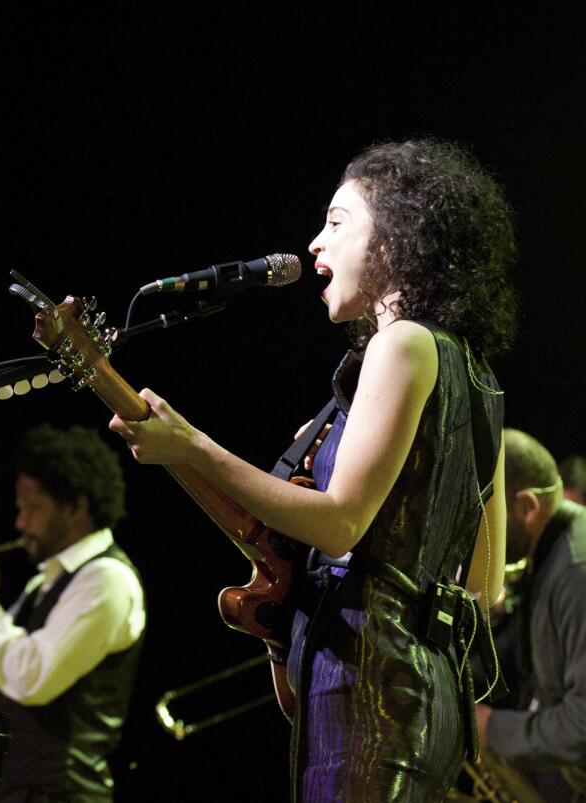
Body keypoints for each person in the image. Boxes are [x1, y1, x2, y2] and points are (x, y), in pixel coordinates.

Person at [109, 139, 517, 800]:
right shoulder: (480, 379)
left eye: (337, 222)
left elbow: (340, 524)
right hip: (431, 699)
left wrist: (191, 445)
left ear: (393, 237)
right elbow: (484, 578)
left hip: (367, 691)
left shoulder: (401, 342)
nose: (314, 244)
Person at [0, 424, 145, 803]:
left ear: (75, 506)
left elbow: (29, 678)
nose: (20, 523)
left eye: (32, 508)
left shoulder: (106, 581)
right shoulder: (46, 583)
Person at [475, 428, 586, 800]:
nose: (482, 529)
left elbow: (582, 726)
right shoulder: (550, 551)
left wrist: (492, 729)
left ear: (526, 507)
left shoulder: (577, 571)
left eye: (490, 512)